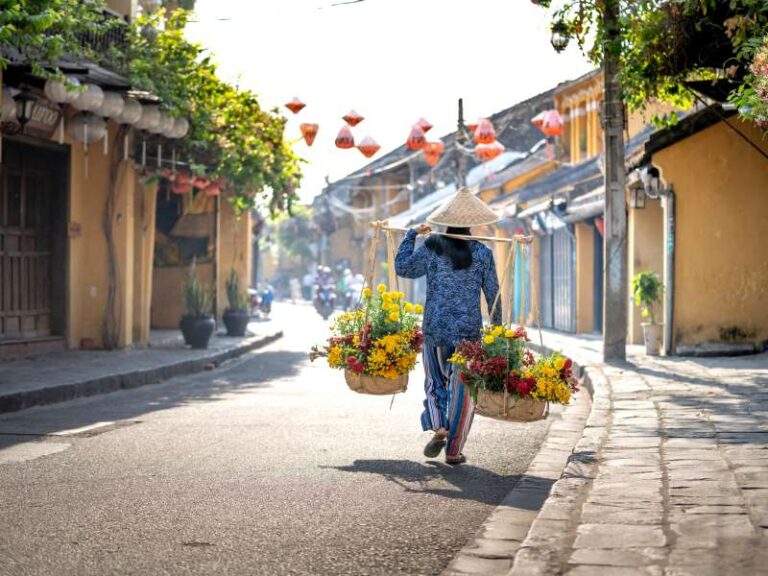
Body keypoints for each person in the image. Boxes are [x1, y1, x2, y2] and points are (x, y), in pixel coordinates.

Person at [395, 187, 501, 466]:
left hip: (435, 328)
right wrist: (499, 332)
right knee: (464, 390)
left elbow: (403, 268)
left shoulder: (432, 247)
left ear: (444, 220)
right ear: (471, 223)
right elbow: (493, 294)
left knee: (435, 382)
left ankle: (439, 425)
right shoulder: (482, 252)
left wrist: (411, 236)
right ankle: (453, 450)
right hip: (468, 333)